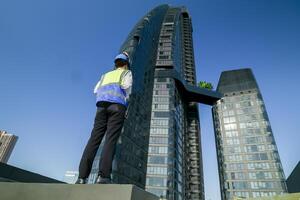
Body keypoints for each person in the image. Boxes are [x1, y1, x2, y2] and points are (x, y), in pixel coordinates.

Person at [76, 52, 132, 184]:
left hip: (101, 108)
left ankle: (81, 177)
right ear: (126, 63)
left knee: (94, 140)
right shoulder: (126, 73)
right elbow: (127, 88)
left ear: (116, 63)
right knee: (110, 140)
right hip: (117, 107)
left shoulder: (105, 75)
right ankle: (103, 177)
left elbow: (95, 90)